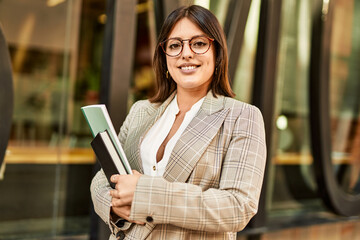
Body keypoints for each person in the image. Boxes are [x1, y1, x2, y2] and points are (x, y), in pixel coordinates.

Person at [91, 5, 266, 240]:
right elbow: (103, 179)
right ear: (164, 58)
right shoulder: (141, 111)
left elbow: (237, 208)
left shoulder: (242, 116)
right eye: (175, 45)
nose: (186, 53)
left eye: (199, 43)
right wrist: (113, 207)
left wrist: (146, 194)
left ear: (218, 54)